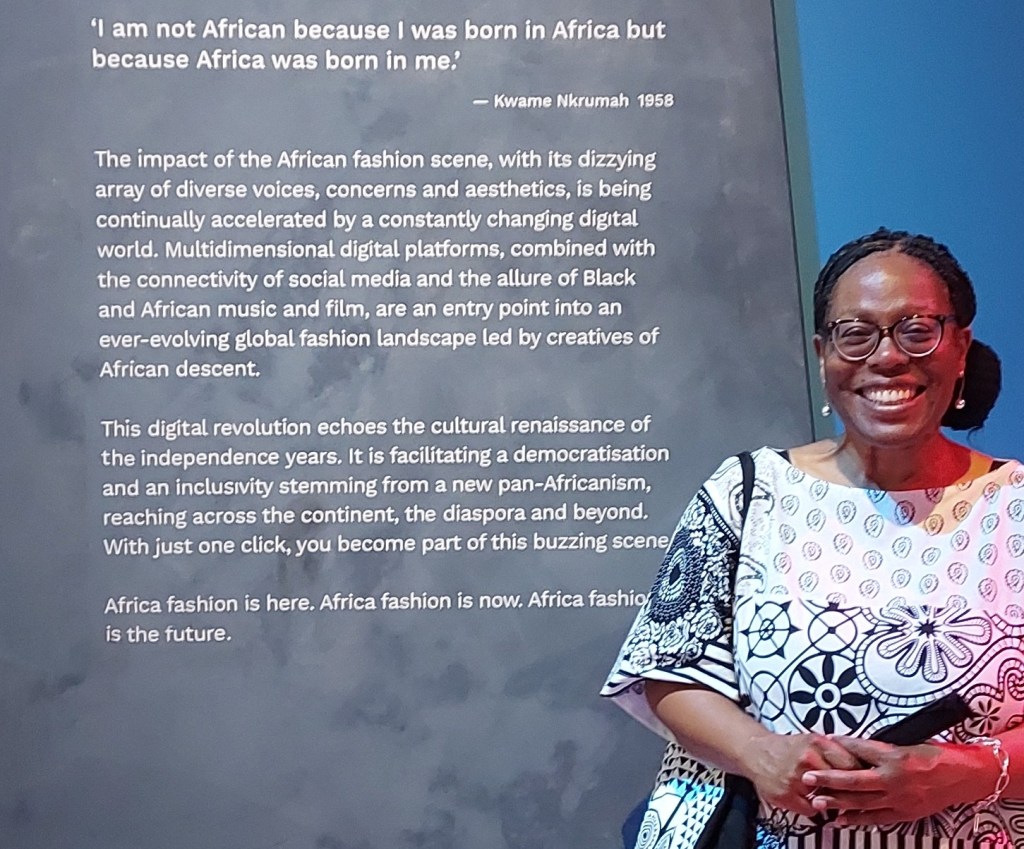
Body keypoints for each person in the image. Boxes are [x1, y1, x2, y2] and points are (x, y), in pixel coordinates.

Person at [602, 228, 1022, 847]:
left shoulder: (1013, 505)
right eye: (857, 334)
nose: (887, 357)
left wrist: (968, 772)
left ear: (959, 348)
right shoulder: (748, 491)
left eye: (918, 329)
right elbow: (666, 671)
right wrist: (759, 753)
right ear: (823, 353)